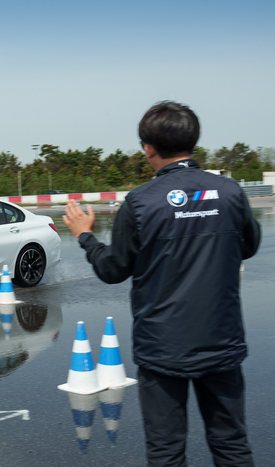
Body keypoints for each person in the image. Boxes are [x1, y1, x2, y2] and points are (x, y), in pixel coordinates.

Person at [62, 101, 260, 467]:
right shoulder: (230, 192)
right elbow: (248, 245)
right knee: (232, 446)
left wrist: (86, 236)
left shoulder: (140, 202)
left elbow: (112, 269)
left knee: (166, 452)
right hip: (221, 342)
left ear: (148, 148)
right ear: (193, 140)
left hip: (162, 349)